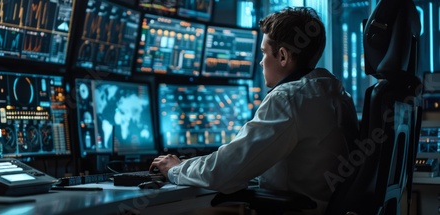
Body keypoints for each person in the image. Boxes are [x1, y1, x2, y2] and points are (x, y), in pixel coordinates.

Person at [150, 7, 359, 214]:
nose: (260, 61)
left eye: (264, 52)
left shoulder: (287, 97)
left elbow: (224, 171)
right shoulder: (336, 94)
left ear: (283, 56)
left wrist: (175, 169)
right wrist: (193, 163)